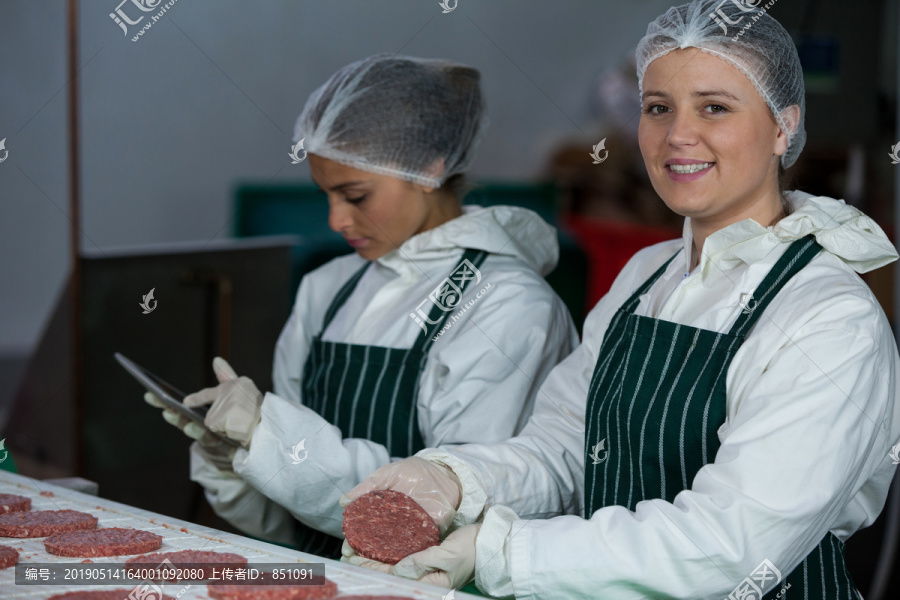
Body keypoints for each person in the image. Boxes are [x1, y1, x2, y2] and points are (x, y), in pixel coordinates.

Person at [341, 4, 900, 598]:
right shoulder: (643, 276)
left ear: (784, 126)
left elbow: (730, 546)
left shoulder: (829, 316)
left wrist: (501, 551)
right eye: (659, 107)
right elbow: (563, 446)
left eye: (714, 107)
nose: (678, 135)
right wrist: (454, 480)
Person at [144, 54, 578, 559]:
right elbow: (289, 523)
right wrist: (238, 461)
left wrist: (270, 438)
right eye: (326, 194)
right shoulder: (328, 290)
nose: (335, 220)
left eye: (355, 195)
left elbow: (447, 514)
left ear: (429, 168)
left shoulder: (504, 304)